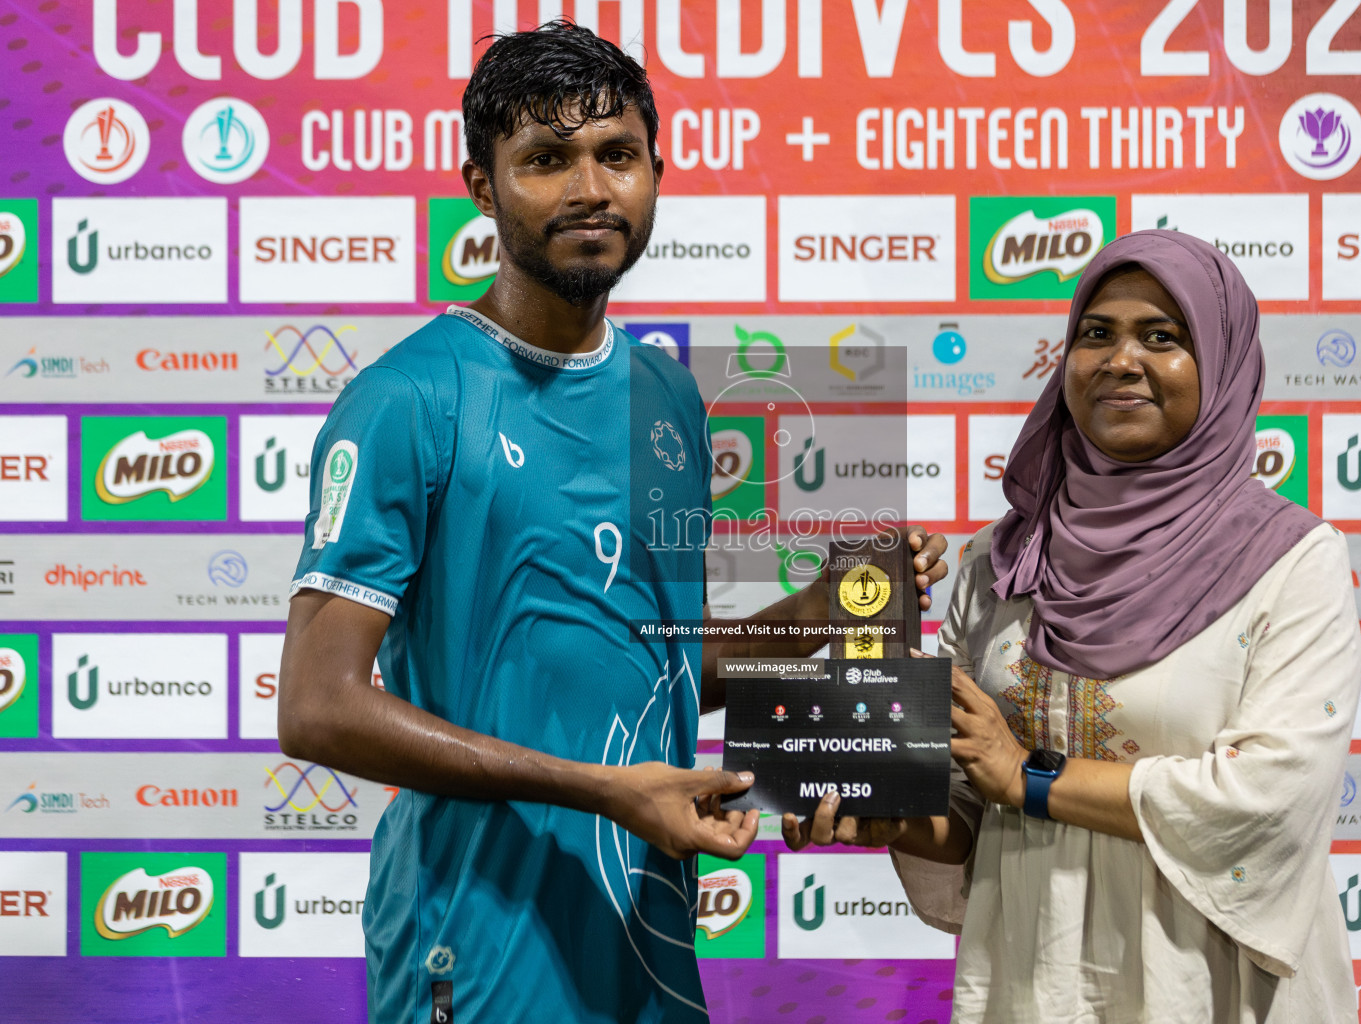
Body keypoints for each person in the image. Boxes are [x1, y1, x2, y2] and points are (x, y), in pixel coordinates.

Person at [276, 21, 947, 1024]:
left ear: (656, 174)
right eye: (546, 160)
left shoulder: (667, 396)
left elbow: (651, 673)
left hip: (648, 939)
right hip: (478, 940)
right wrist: (605, 790)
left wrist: (818, 610)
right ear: (480, 184)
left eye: (616, 156)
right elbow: (317, 705)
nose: (591, 189)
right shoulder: (408, 398)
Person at [784, 231, 1361, 1023]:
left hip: (1203, 984)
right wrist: (888, 811)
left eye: (1163, 337)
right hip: (1030, 974)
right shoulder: (1001, 559)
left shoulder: (1293, 561)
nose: (1121, 360)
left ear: (1225, 366)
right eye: (1096, 335)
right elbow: (965, 808)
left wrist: (1031, 776)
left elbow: (1267, 798)